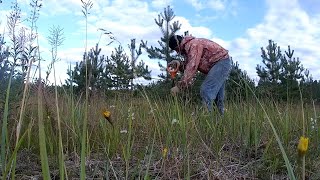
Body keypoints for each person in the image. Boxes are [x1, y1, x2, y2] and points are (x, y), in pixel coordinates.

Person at [168, 35, 231, 115]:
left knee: (206, 90)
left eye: (176, 49)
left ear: (179, 44)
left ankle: (207, 119)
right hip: (222, 63)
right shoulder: (190, 47)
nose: (177, 52)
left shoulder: (193, 45)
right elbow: (188, 66)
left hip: (221, 62)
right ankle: (218, 122)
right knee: (218, 98)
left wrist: (179, 87)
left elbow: (192, 67)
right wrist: (179, 64)